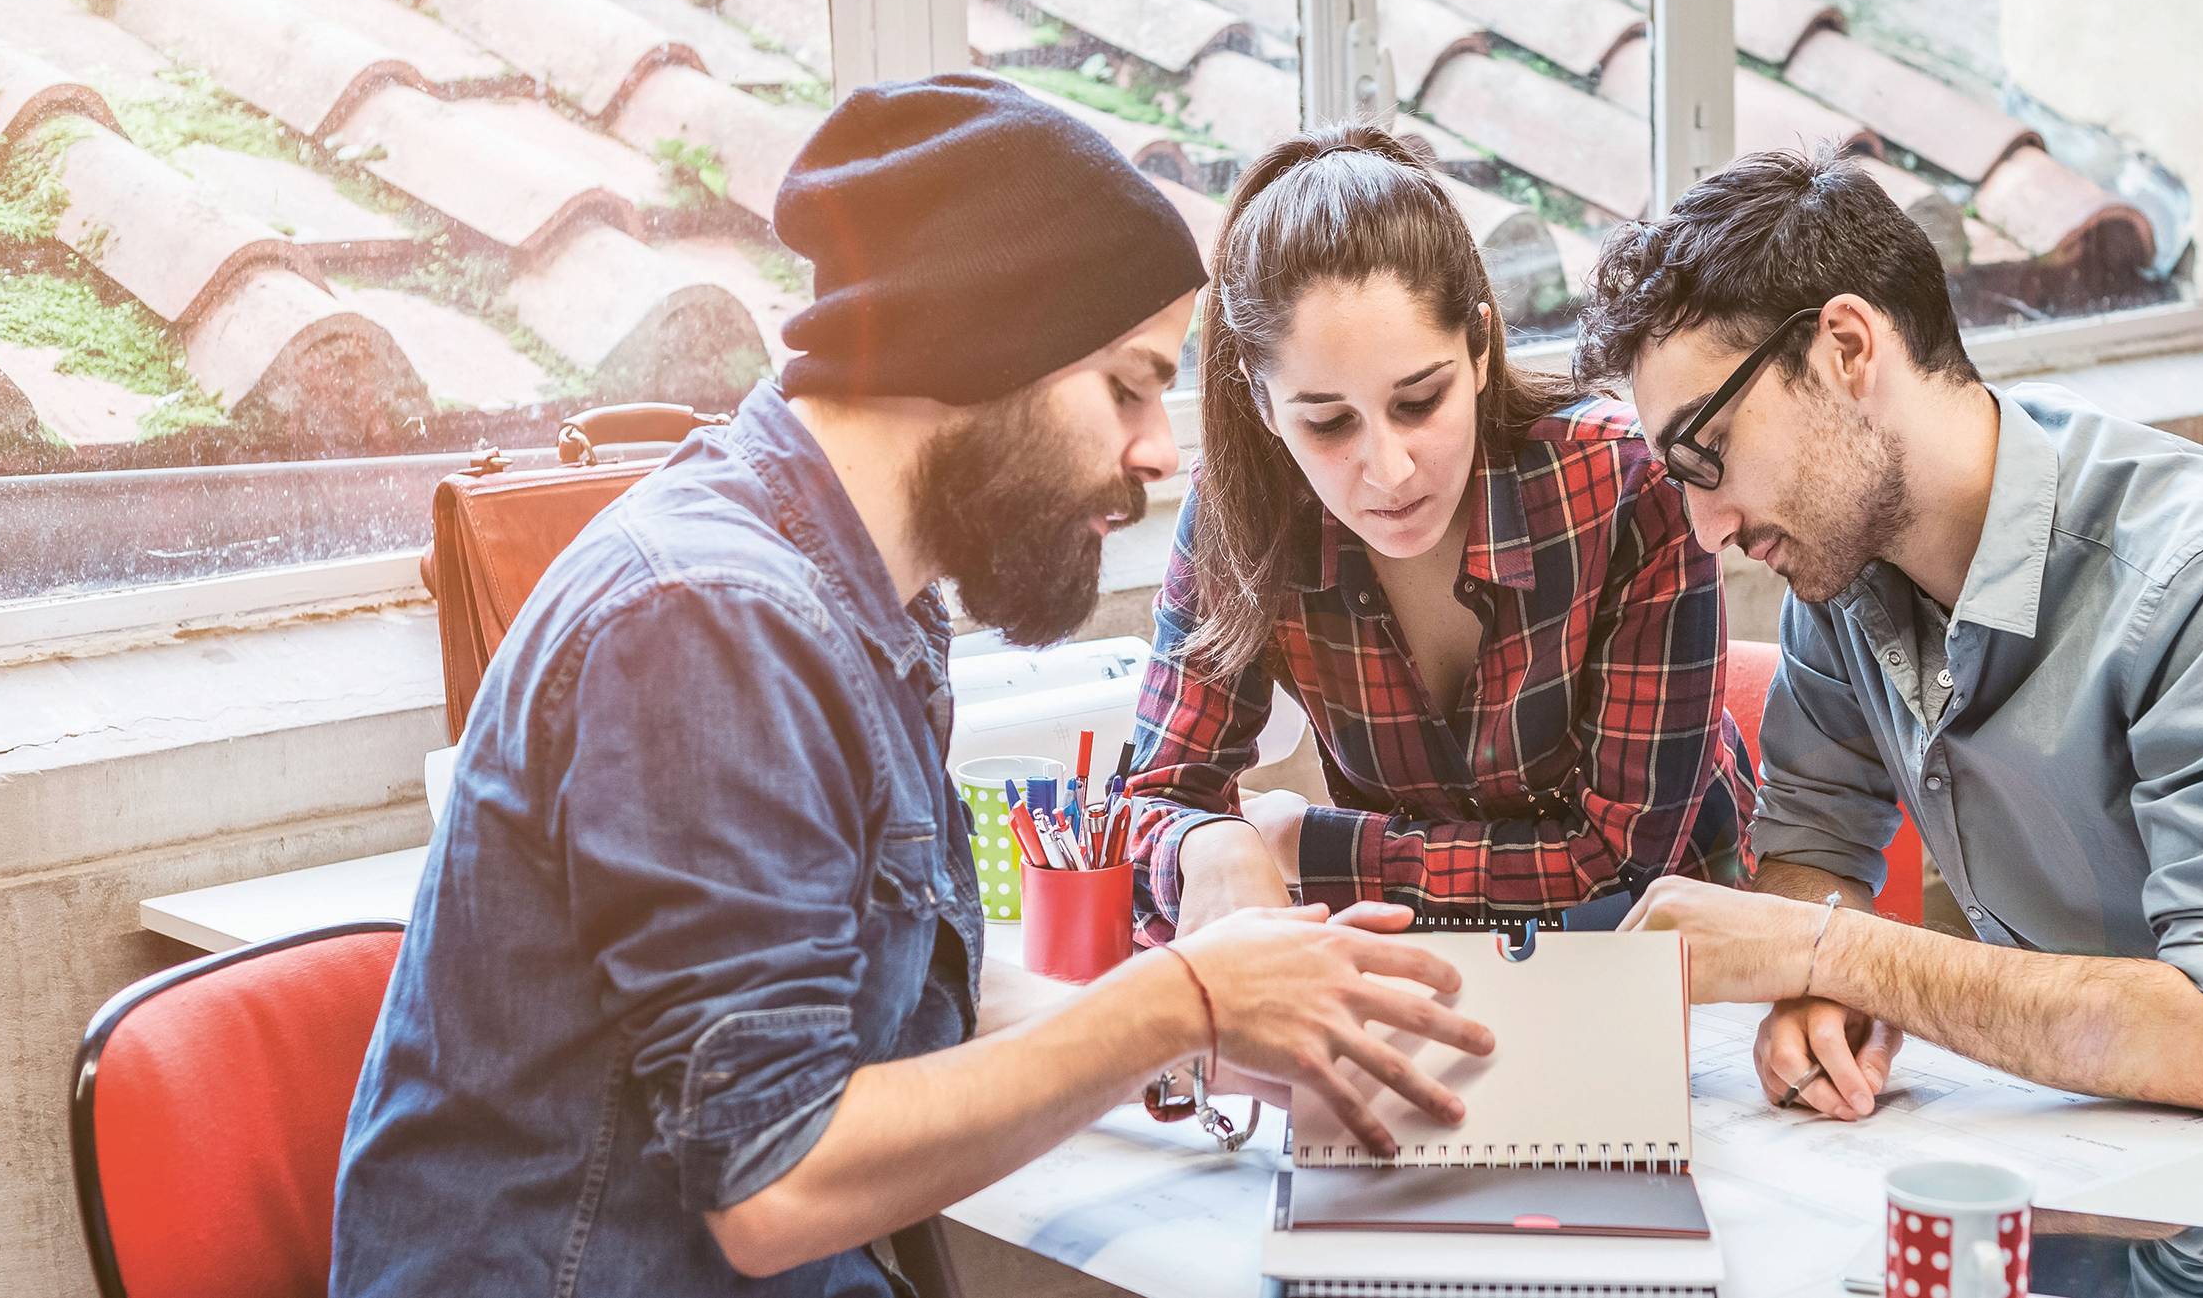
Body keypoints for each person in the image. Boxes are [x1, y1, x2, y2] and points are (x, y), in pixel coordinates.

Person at [329, 77, 1493, 1297]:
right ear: (980, 349)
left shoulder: (867, 600)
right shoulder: (707, 620)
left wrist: (1230, 1041)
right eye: (1127, 383)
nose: (1158, 448)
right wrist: (1184, 997)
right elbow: (775, 1181)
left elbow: (916, 994)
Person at [1582, 148, 2203, 1121]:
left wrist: (1830, 954)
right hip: (2108, 1123)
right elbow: (1815, 845)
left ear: (1847, 349)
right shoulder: (1840, 572)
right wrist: (1817, 995)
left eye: (1709, 451)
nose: (1707, 529)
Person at [1120, 126, 1756, 942]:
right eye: (1328, 422)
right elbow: (1153, 802)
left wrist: (1304, 841)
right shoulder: (1239, 512)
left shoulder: (1633, 489)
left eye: (1419, 402)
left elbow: (1618, 862)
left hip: (1673, 960)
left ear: (1480, 347)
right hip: (1425, 963)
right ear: (1263, 403)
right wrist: (1207, 843)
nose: (1388, 470)